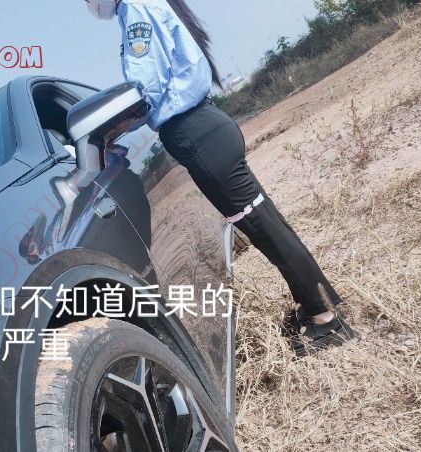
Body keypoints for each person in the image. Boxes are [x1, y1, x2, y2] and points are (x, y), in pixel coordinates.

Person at [83, 0, 355, 355]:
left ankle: (326, 319)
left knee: (262, 227)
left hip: (196, 134)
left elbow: (145, 85)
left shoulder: (133, 9)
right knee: (266, 221)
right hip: (205, 127)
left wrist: (112, 129)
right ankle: (319, 302)